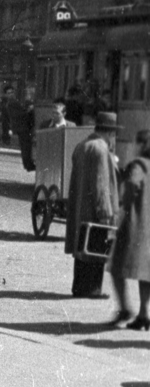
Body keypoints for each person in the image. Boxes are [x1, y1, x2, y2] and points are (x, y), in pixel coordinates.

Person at [65, 111, 119, 299]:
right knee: (96, 248)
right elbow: (101, 184)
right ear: (110, 133)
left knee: (82, 249)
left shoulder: (82, 145)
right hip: (95, 210)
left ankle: (79, 287)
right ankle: (92, 289)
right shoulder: (101, 149)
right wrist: (105, 212)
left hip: (81, 208)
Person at [108, 128, 150, 328]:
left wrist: (125, 203)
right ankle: (144, 314)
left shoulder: (139, 165)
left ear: (141, 145)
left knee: (116, 267)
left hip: (135, 225)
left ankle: (125, 308)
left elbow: (132, 184)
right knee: (146, 272)